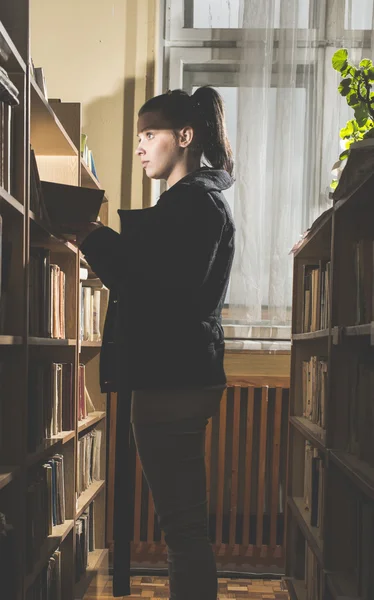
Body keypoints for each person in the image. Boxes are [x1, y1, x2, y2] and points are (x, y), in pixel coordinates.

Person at [79, 86, 235, 600]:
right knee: (185, 530)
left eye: (150, 134)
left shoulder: (193, 205)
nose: (141, 146)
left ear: (185, 137)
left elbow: (153, 288)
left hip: (173, 381)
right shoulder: (194, 204)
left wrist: (92, 235)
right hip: (183, 376)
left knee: (183, 533)